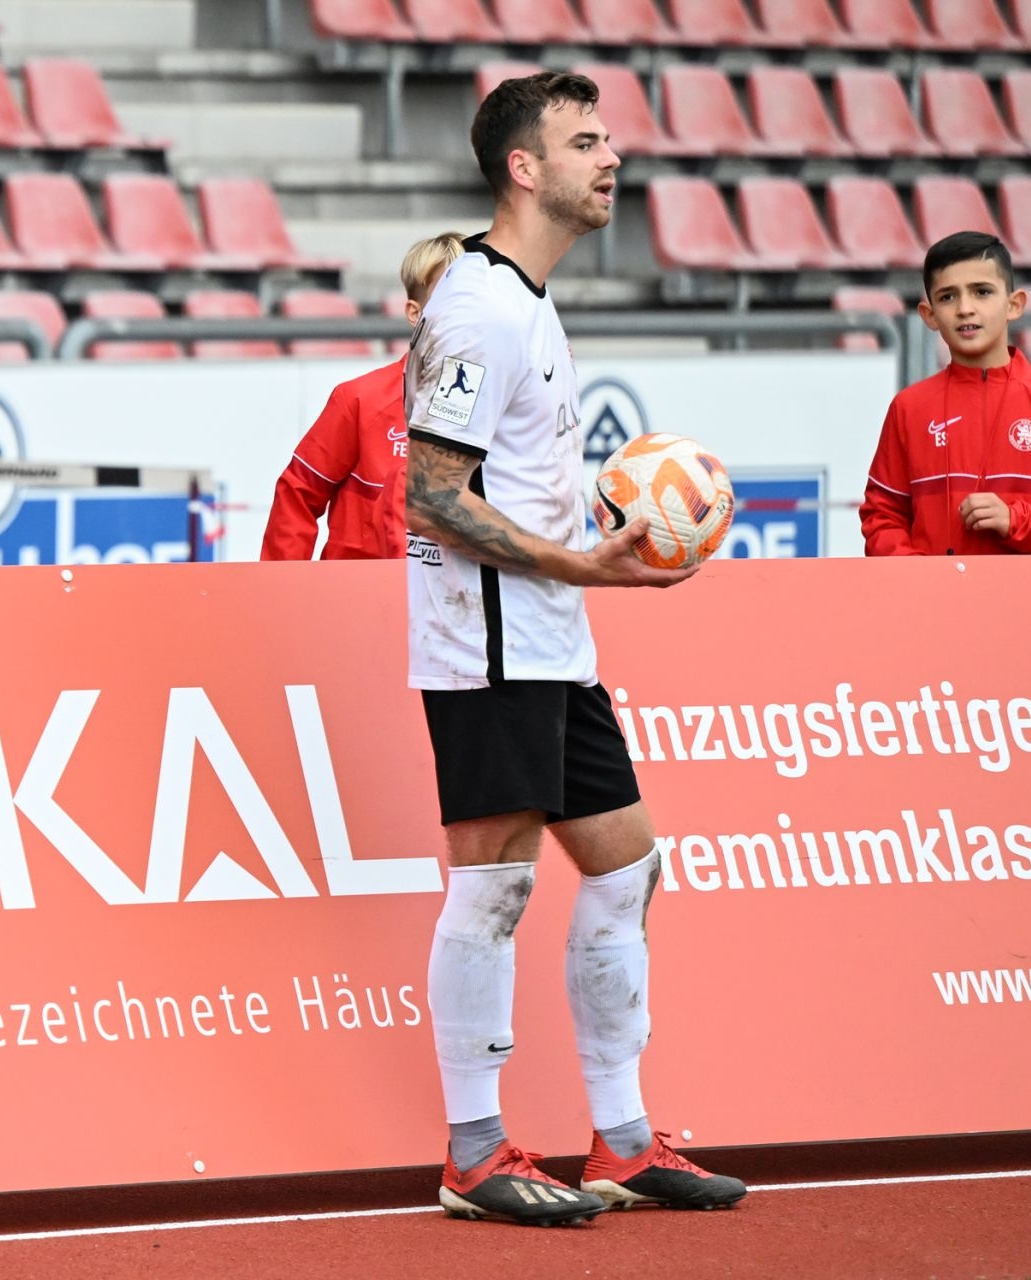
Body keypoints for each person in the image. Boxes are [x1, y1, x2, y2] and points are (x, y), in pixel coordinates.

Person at [401, 70, 747, 1226]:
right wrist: (580, 563)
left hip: (553, 635)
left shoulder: (531, 301)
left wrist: (590, 554)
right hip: (486, 641)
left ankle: (624, 1140)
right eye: (586, 141)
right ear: (524, 167)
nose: (612, 159)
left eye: (609, 139)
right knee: (493, 886)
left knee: (626, 865)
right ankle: (472, 1149)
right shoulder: (476, 307)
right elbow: (430, 494)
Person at [860, 232, 1031, 556]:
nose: (965, 309)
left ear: (1014, 305)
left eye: (982, 292)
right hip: (936, 591)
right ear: (930, 315)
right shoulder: (909, 408)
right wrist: (920, 573)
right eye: (947, 297)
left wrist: (1016, 520)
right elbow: (881, 516)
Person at [260, 233, 465, 561]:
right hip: (357, 591)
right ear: (415, 313)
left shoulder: (504, 406)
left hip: (453, 592)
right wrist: (284, 587)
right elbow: (298, 493)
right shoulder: (359, 400)